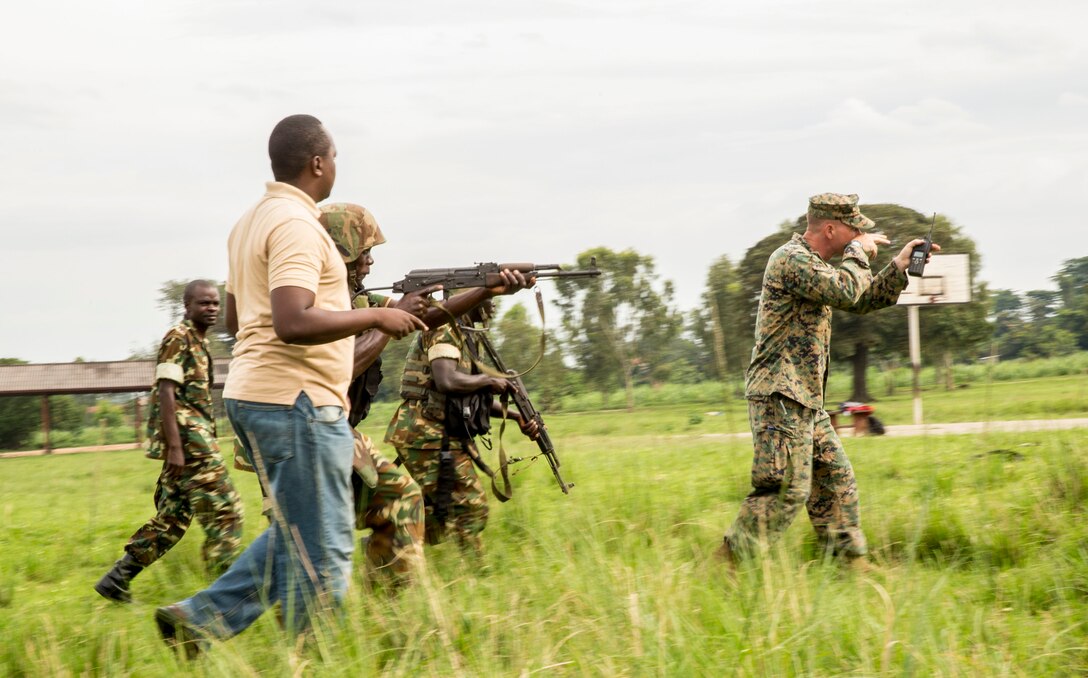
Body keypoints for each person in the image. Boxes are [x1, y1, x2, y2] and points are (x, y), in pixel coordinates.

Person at [154, 114, 426, 657]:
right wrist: (377, 319)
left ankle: (198, 621)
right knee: (326, 547)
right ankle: (313, 661)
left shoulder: (249, 222)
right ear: (318, 163)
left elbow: (237, 321)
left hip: (258, 394)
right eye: (335, 158)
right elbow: (292, 320)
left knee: (301, 532)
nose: (336, 167)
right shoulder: (300, 227)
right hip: (297, 401)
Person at [718, 193, 939, 570]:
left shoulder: (816, 265)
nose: (862, 236)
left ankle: (849, 564)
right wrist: (859, 252)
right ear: (831, 228)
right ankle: (730, 565)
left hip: (805, 398)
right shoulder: (791, 259)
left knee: (835, 477)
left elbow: (860, 298)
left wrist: (899, 267)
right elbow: (847, 289)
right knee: (787, 486)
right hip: (779, 395)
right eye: (855, 230)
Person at [94, 280, 243, 603]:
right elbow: (165, 390)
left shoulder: (200, 342)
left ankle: (117, 579)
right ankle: (221, 599)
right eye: (204, 303)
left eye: (216, 303)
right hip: (190, 444)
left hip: (194, 440)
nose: (212, 309)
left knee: (173, 518)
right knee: (226, 514)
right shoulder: (178, 338)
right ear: (187, 307)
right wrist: (175, 448)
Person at [386, 295, 540, 557]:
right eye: (487, 297)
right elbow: (446, 380)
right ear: (471, 299)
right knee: (471, 506)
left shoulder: (465, 333)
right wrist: (487, 381)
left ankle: (387, 544)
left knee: (441, 510)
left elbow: (463, 397)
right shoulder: (445, 327)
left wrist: (516, 416)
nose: (492, 305)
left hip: (436, 431)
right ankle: (473, 574)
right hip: (423, 431)